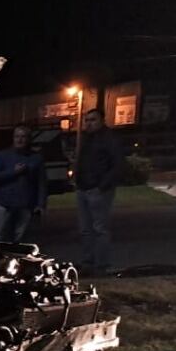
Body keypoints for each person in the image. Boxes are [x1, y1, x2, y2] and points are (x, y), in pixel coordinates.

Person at [73, 108, 123, 275]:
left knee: (100, 228)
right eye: (87, 120)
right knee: (85, 229)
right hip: (83, 188)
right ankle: (88, 261)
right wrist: (78, 182)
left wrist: (102, 186)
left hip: (98, 190)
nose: (89, 123)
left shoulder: (109, 139)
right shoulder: (87, 139)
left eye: (93, 120)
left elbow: (117, 164)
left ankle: (102, 264)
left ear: (102, 120)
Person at [0, 125, 47, 243]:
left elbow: (41, 182)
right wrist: (13, 172)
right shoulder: (2, 156)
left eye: (23, 137)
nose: (20, 140)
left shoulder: (36, 158)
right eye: (17, 136)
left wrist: (41, 204)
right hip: (4, 204)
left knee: (21, 238)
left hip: (25, 205)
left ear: (29, 139)